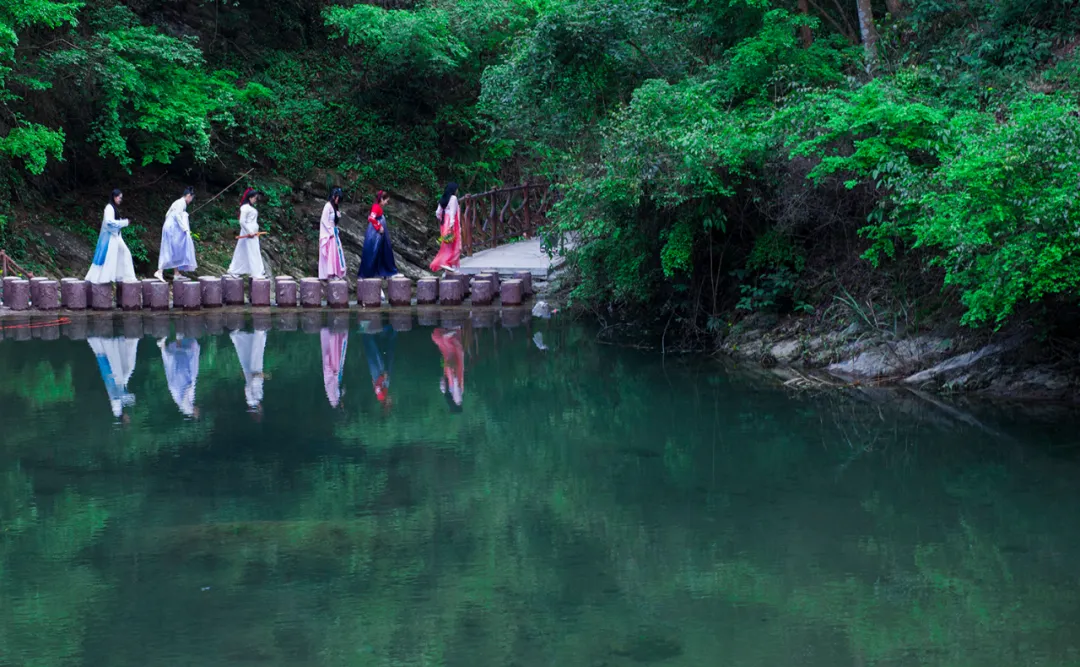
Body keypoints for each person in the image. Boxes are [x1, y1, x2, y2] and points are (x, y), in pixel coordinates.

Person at [86, 189, 137, 284]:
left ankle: (125, 277)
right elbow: (109, 222)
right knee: (108, 257)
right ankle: (103, 278)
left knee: (124, 253)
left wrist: (124, 221)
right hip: (111, 237)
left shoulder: (113, 208)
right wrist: (124, 222)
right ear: (114, 197)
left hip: (116, 236)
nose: (120, 200)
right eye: (119, 197)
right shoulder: (109, 208)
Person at [88, 336, 139, 422]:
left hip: (113, 380)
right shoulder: (121, 409)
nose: (128, 417)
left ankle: (113, 341)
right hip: (117, 382)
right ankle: (125, 341)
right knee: (128, 368)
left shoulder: (117, 410)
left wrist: (128, 397)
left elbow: (116, 396)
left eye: (127, 419)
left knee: (110, 359)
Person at [155, 186, 198, 281]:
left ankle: (176, 273)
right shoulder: (180, 203)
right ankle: (159, 271)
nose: (191, 200)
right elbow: (178, 216)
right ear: (188, 196)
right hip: (171, 228)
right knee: (168, 249)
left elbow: (168, 214)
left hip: (172, 228)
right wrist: (185, 229)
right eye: (191, 198)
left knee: (176, 249)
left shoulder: (180, 203)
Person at [359, 190, 398, 280]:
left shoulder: (378, 207)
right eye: (386, 201)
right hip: (375, 233)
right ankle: (370, 273)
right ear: (381, 199)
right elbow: (371, 218)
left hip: (379, 233)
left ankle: (384, 272)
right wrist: (379, 227)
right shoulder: (376, 207)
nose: (386, 203)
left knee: (382, 250)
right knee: (373, 251)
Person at [227, 188, 266, 278]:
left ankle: (254, 271)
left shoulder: (250, 208)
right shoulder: (245, 208)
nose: (255, 200)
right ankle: (255, 272)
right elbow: (242, 221)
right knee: (252, 251)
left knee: (245, 250)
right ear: (250, 197)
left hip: (252, 232)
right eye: (255, 198)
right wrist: (250, 231)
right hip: (249, 233)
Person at [159, 334, 200, 418]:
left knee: (177, 361)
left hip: (180, 383)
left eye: (197, 411)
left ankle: (166, 344)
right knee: (174, 361)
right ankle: (171, 341)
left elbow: (184, 400)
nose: (198, 409)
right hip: (180, 383)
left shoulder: (189, 409)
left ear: (195, 414)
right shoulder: (189, 407)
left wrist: (189, 387)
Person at [230, 329, 267, 413]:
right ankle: (237, 337)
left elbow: (252, 385)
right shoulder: (252, 398)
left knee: (256, 353)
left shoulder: (256, 397)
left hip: (255, 373)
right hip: (250, 375)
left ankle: (259, 333)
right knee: (246, 356)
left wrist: (258, 377)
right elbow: (247, 388)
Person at [361, 322, 395, 411]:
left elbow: (377, 387)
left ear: (386, 403)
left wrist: (382, 377)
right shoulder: (384, 394)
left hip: (379, 372)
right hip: (379, 373)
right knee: (378, 351)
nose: (391, 400)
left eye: (390, 402)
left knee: (374, 352)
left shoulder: (381, 397)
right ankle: (372, 327)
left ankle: (366, 326)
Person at [429, 182, 461, 274]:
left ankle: (448, 265)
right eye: (457, 189)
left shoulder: (443, 198)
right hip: (451, 223)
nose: (457, 190)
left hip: (443, 223)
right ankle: (447, 263)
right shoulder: (453, 198)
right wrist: (451, 224)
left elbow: (437, 212)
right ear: (454, 189)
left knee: (446, 244)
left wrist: (443, 219)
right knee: (453, 244)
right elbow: (453, 212)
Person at [431, 327, 464, 412]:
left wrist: (455, 374)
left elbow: (457, 383)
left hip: (454, 373)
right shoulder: (445, 393)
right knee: (447, 352)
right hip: (447, 372)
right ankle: (444, 335)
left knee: (457, 351)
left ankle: (452, 333)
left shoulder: (458, 400)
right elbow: (442, 380)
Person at [319, 187, 347, 280]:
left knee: (336, 253)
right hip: (329, 233)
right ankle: (329, 273)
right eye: (338, 197)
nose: (338, 200)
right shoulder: (327, 206)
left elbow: (334, 221)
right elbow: (324, 220)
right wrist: (330, 231)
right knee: (330, 253)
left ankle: (336, 273)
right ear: (334, 196)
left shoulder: (334, 207)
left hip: (334, 232)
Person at [320, 327, 348, 408]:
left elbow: (331, 381)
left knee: (334, 349)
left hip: (333, 369)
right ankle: (337, 332)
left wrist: (335, 375)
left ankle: (335, 332)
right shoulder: (336, 396)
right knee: (337, 349)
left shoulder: (333, 396)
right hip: (336, 369)